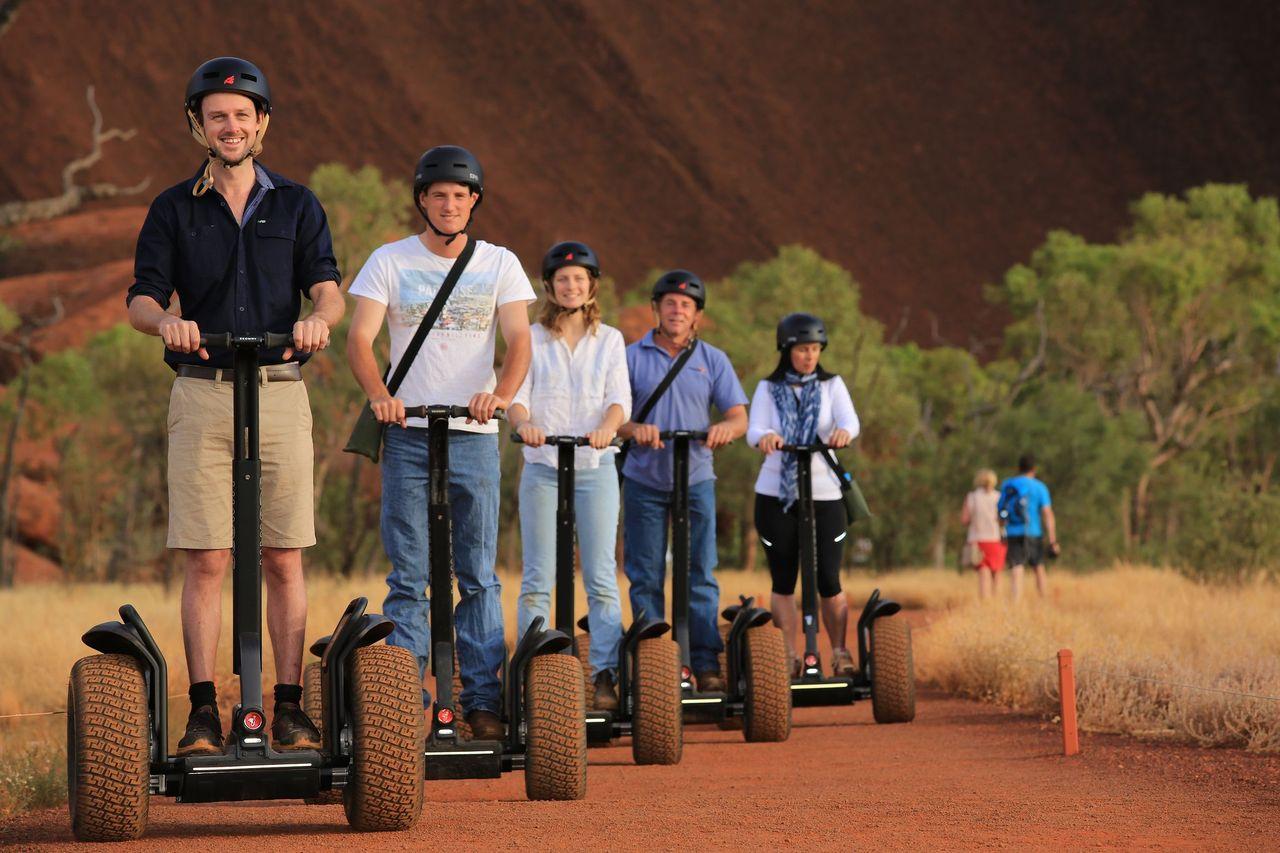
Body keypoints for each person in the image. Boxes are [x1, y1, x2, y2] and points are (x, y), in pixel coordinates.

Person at [127, 57, 343, 755]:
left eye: (242, 115)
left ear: (263, 124)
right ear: (197, 123)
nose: (230, 125)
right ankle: (201, 715)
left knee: (284, 555)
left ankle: (288, 707)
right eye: (217, 114)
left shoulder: (298, 204)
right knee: (209, 557)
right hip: (203, 390)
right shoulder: (172, 207)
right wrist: (163, 321)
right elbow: (142, 295)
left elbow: (328, 287)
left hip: (280, 391)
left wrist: (319, 318)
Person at [346, 145, 534, 740]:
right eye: (439, 196)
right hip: (407, 433)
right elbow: (360, 338)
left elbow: (519, 342)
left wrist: (500, 395)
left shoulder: (500, 263)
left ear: (474, 201)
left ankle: (482, 702)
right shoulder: (390, 261)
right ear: (422, 201)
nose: (450, 205)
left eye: (460, 196)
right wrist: (380, 394)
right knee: (409, 575)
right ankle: (405, 706)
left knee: (478, 573)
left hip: (474, 435)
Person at [508, 241, 630, 711]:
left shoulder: (611, 339)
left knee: (600, 575)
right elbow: (516, 393)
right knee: (538, 576)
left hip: (594, 467)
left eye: (579, 278)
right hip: (542, 467)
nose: (571, 285)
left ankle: (604, 676)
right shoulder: (532, 337)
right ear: (550, 287)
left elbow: (619, 398)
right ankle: (536, 673)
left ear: (591, 285)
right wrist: (524, 424)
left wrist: (607, 427)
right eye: (563, 279)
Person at [617, 270, 748, 692]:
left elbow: (739, 415)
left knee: (700, 573)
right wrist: (635, 429)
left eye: (686, 305)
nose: (677, 310)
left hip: (695, 478)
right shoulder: (630, 356)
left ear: (697, 316)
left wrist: (727, 428)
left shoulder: (713, 359)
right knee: (646, 573)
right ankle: (653, 666)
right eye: (670, 303)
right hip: (644, 480)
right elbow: (613, 416)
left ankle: (705, 662)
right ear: (656, 309)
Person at [747, 313, 859, 677]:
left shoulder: (831, 385)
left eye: (814, 349)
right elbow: (755, 429)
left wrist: (843, 432)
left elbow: (850, 421)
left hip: (825, 493)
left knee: (829, 576)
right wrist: (766, 437)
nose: (809, 356)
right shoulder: (768, 387)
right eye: (801, 349)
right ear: (786, 350)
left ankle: (840, 653)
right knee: (783, 578)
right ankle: (789, 656)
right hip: (777, 494)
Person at [998, 454, 1059, 600]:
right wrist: (1052, 540)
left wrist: (1001, 531)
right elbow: (1047, 513)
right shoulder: (1039, 487)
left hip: (1012, 531)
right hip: (1033, 531)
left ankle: (1015, 602)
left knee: (1016, 566)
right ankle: (1043, 600)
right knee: (1038, 566)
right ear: (1034, 469)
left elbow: (1000, 511)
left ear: (1019, 468)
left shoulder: (1008, 484)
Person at [961, 469, 1006, 599]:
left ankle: (985, 603)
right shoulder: (999, 497)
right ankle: (996, 604)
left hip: (977, 540)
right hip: (996, 539)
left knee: (983, 572)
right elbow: (1003, 519)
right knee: (997, 573)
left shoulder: (972, 497)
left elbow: (964, 519)